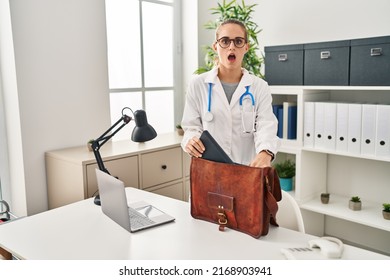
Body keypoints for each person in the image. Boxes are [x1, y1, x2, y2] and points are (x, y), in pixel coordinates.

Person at [180, 19, 280, 167]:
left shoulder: (259, 87)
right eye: (225, 41)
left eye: (238, 41)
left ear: (246, 47)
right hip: (209, 170)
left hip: (246, 170)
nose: (231, 47)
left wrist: (266, 152)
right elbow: (191, 127)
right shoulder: (198, 85)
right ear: (215, 46)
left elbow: (266, 126)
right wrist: (191, 140)